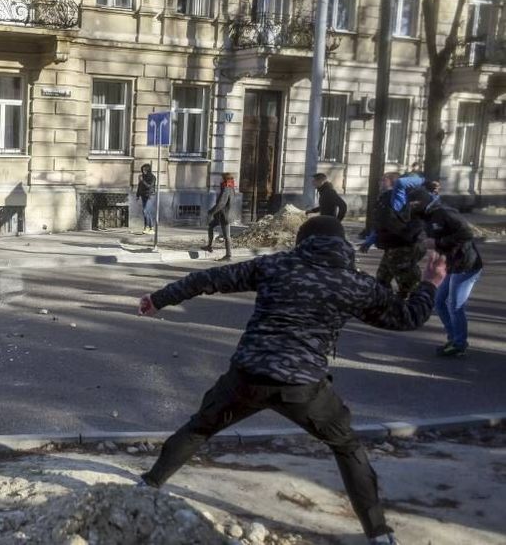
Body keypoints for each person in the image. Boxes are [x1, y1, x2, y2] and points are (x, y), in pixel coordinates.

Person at [137, 216, 445, 545]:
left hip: (247, 377)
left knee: (200, 428)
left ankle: (149, 485)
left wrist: (158, 299)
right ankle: (379, 533)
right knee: (346, 446)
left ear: (302, 242)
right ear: (341, 245)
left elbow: (209, 279)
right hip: (304, 388)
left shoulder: (277, 266)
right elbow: (407, 317)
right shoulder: (355, 284)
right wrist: (430, 283)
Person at [408, 187, 482, 357]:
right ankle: (454, 337)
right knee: (438, 301)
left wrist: (438, 243)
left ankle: (459, 344)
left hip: (466, 264)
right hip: (451, 263)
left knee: (455, 305)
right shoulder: (425, 216)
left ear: (422, 202)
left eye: (413, 204)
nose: (411, 207)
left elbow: (466, 233)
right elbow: (425, 234)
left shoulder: (444, 212)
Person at [360, 173, 426, 298]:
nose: (380, 182)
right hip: (390, 245)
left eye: (384, 179)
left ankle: (410, 305)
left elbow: (401, 183)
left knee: (407, 282)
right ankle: (385, 304)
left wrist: (424, 179)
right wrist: (369, 241)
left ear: (392, 182)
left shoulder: (397, 196)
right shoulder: (383, 198)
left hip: (401, 245)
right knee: (381, 279)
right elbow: (382, 224)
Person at [202, 172, 235, 261]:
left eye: (221, 178)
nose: (220, 179)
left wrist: (211, 212)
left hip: (224, 215)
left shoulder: (226, 189)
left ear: (224, 179)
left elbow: (221, 204)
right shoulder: (230, 188)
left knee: (226, 236)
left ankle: (228, 255)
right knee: (211, 226)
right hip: (221, 214)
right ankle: (209, 246)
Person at [136, 164, 156, 235]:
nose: (143, 171)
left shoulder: (152, 177)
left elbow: (150, 186)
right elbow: (139, 186)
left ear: (148, 170)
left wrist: (143, 181)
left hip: (150, 196)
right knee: (146, 212)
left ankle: (151, 227)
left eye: (145, 170)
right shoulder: (141, 176)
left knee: (146, 211)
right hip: (143, 195)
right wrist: (137, 195)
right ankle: (147, 227)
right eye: (143, 170)